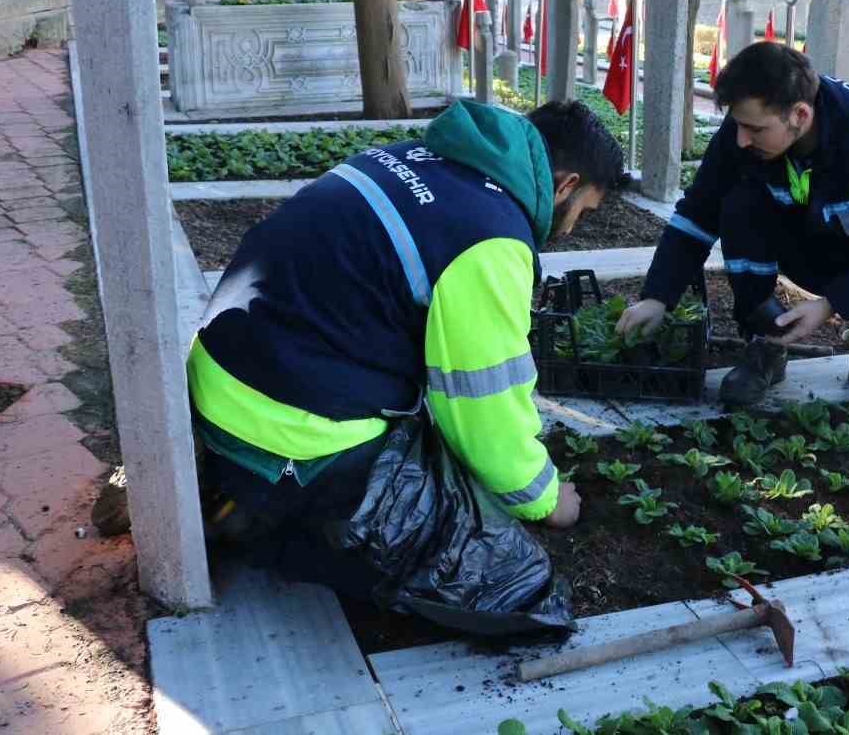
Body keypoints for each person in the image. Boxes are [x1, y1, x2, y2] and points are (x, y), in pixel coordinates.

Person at [188, 98, 623, 604]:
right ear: (566, 184)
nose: (569, 229)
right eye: (582, 212)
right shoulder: (489, 237)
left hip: (216, 380)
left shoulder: (399, 158)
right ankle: (269, 529)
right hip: (288, 435)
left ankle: (240, 497)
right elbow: (482, 409)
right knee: (501, 577)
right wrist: (546, 500)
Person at [617, 44, 849, 405]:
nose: (741, 140)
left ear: (799, 114)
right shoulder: (742, 135)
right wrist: (657, 297)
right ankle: (766, 338)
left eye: (754, 129)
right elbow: (696, 216)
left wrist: (831, 304)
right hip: (807, 249)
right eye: (737, 124)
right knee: (738, 203)